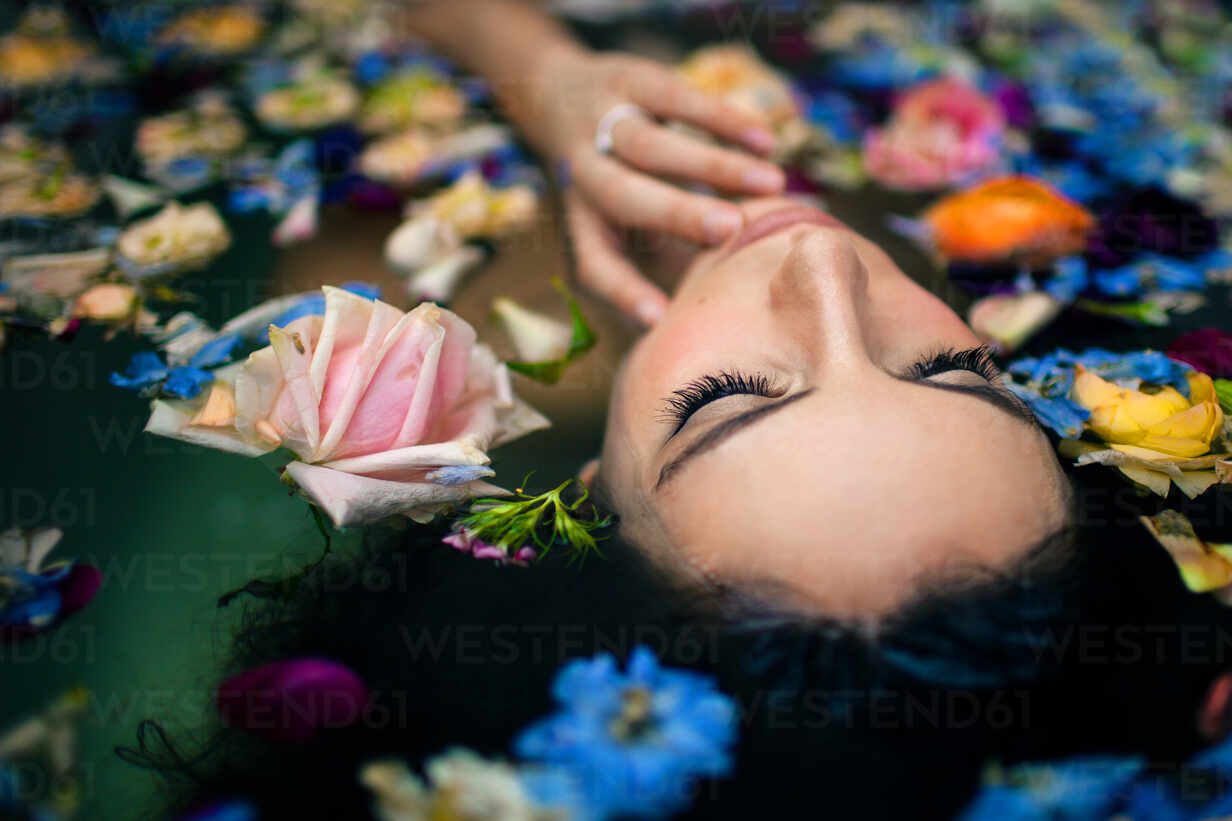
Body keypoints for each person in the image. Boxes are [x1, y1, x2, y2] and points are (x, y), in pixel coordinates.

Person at [400, 1, 1072, 619]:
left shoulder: (412, 311)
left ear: (594, 491)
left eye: (728, 398)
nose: (823, 259)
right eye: (945, 368)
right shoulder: (1016, 155)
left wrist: (535, 70)